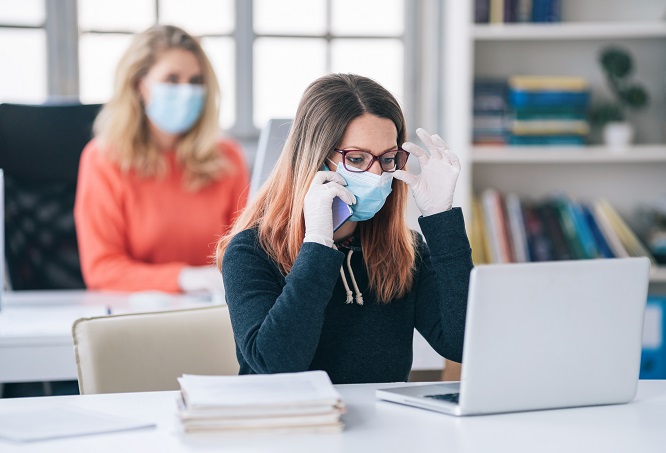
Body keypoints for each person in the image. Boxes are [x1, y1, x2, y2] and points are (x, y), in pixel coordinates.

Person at [215, 73, 473, 384]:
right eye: (358, 158)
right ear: (316, 160)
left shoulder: (407, 250)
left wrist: (441, 220)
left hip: (383, 429)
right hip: (289, 427)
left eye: (388, 158)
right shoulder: (250, 251)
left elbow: (464, 345)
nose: (378, 174)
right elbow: (276, 367)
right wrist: (318, 245)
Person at [75, 25, 249, 293]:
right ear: (138, 85)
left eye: (195, 81)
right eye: (172, 79)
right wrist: (183, 278)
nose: (186, 91)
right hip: (136, 317)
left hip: (213, 312)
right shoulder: (102, 159)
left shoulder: (227, 157)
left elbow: (244, 251)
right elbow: (102, 268)